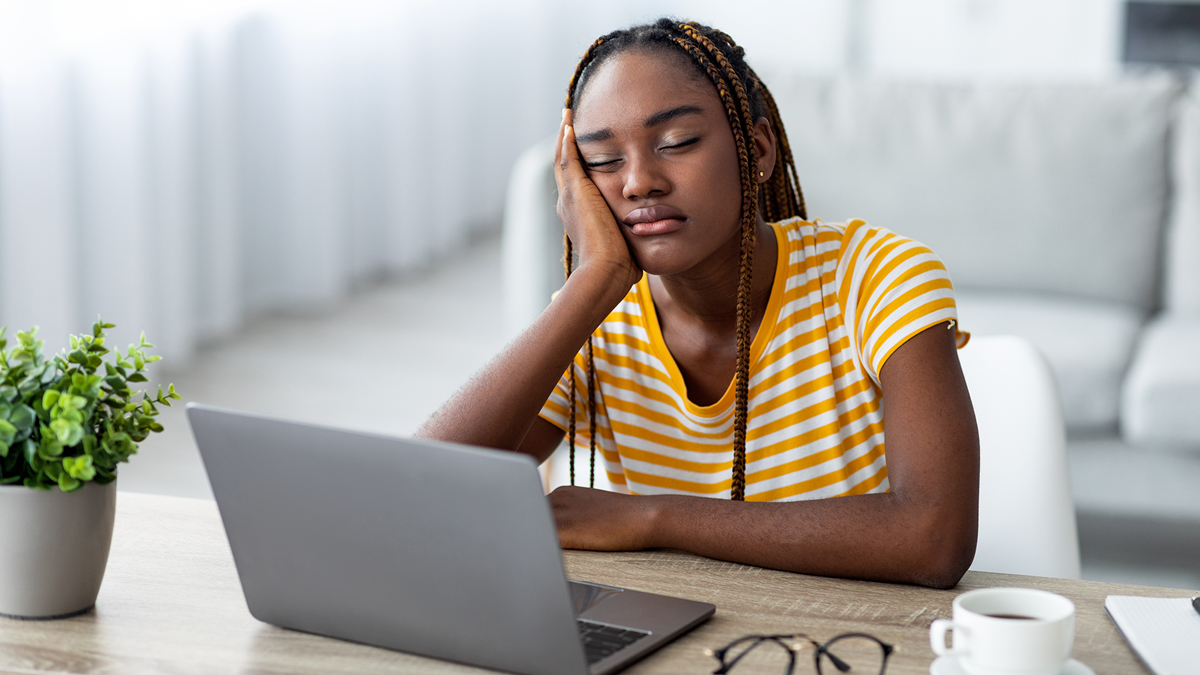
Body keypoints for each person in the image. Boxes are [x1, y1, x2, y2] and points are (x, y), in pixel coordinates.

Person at [418, 18, 979, 589]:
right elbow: (416, 495)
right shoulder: (594, 316)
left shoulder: (876, 276)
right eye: (604, 161)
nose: (639, 182)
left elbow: (934, 538)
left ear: (756, 150)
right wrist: (595, 281)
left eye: (676, 143)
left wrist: (652, 516)